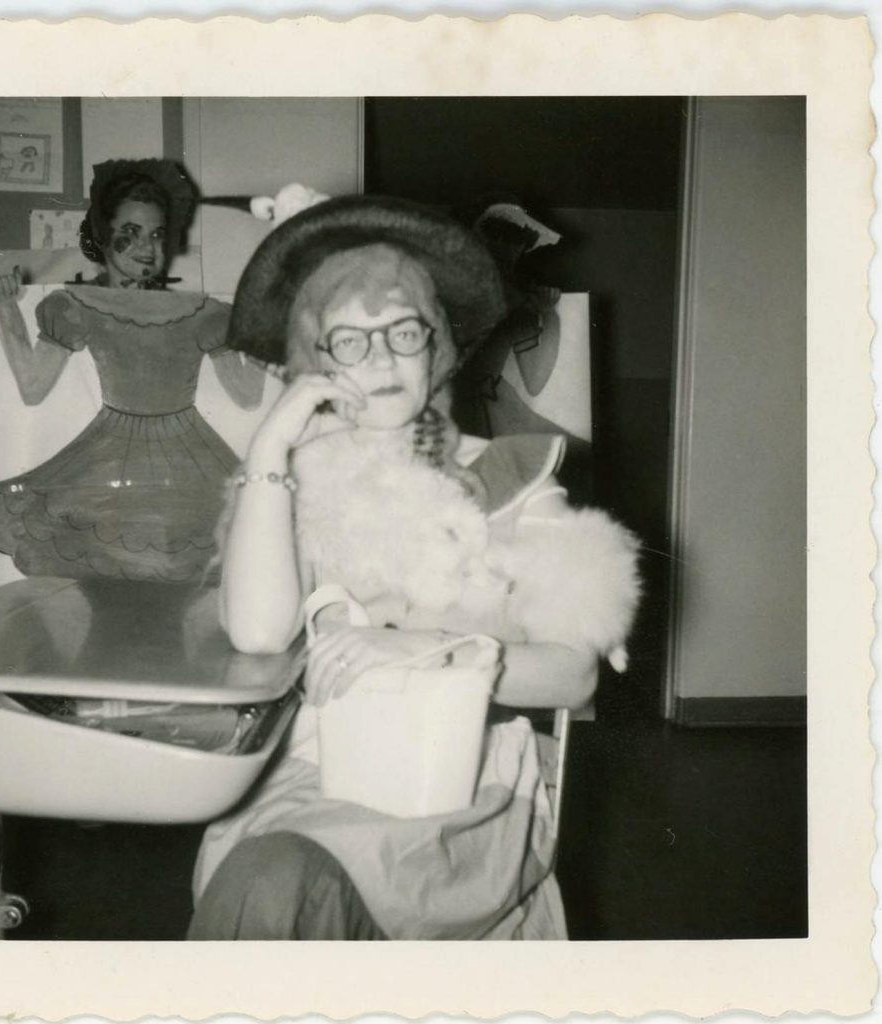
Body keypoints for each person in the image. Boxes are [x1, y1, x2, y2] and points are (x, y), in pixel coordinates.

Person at [187, 195, 642, 940]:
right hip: (313, 782)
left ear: (438, 347)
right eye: (350, 341)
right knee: (267, 886)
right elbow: (262, 635)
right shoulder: (290, 487)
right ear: (313, 363)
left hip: (462, 797)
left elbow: (574, 675)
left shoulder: (512, 477)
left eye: (404, 331)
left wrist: (428, 650)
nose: (386, 359)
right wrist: (269, 452)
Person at [0, 159, 259, 584]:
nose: (147, 247)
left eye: (158, 234)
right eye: (131, 232)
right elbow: (32, 387)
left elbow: (248, 396)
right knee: (104, 586)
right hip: (106, 461)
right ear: (103, 237)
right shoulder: (76, 307)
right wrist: (7, 307)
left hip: (189, 466)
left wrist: (268, 340)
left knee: (180, 590)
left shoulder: (205, 314)